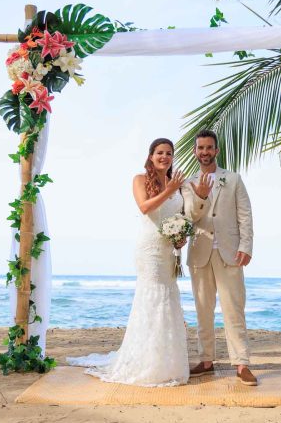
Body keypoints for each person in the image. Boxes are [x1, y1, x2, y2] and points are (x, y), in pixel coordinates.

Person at [67, 138, 202, 386]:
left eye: (169, 153)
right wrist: (170, 190)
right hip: (149, 249)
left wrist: (180, 237)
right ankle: (146, 362)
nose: (165, 157)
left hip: (168, 250)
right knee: (152, 298)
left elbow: (179, 215)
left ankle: (166, 362)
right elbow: (144, 207)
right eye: (160, 152)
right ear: (151, 156)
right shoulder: (140, 180)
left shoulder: (178, 184)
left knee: (169, 299)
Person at [181, 129, 257, 386]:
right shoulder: (187, 183)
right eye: (200, 148)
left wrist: (246, 245)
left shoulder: (233, 179)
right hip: (200, 253)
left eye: (209, 147)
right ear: (195, 151)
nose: (204, 152)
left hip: (230, 252)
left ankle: (241, 363)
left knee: (234, 308)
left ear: (217, 150)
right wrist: (201, 196)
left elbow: (245, 214)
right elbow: (190, 216)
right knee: (203, 309)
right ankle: (205, 361)